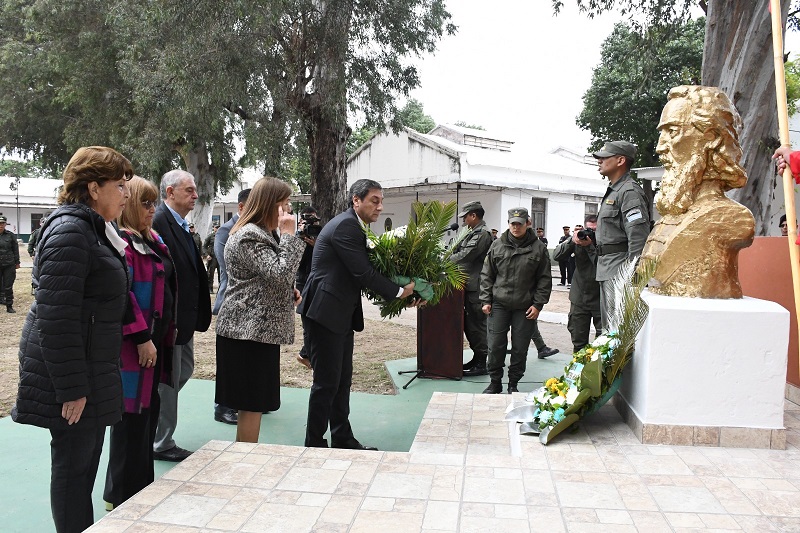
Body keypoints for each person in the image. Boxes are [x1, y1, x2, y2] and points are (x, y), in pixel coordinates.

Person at [12, 146, 132, 533]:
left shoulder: (93, 228)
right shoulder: (71, 232)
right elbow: (56, 318)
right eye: (120, 185)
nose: (126, 193)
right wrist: (73, 389)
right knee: (73, 471)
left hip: (89, 365)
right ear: (94, 188)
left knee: (82, 468)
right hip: (72, 373)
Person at [298, 179, 415, 450]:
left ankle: (341, 438)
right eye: (374, 200)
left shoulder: (353, 225)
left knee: (341, 382)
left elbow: (361, 273)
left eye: (381, 201)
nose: (380, 206)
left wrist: (405, 293)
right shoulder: (347, 226)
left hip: (337, 313)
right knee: (327, 384)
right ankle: (314, 444)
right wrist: (400, 292)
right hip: (325, 313)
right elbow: (363, 272)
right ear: (356, 200)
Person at [103, 177, 177, 510]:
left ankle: (141, 489)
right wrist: (142, 337)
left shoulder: (153, 240)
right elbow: (124, 295)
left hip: (155, 343)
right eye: (145, 204)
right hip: (134, 348)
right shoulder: (122, 242)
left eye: (153, 203)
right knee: (129, 421)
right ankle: (119, 496)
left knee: (147, 416)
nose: (152, 210)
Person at [215, 177, 305, 442]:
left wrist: (287, 292)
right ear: (270, 204)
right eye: (285, 203)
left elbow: (269, 277)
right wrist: (289, 235)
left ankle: (246, 454)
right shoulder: (250, 236)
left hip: (255, 331)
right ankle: (244, 457)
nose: (288, 210)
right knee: (251, 404)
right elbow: (280, 272)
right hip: (246, 332)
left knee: (254, 403)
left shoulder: (262, 233)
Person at [642, 86, 753, 299]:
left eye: (672, 131)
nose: (660, 147)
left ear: (711, 137)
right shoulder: (672, 214)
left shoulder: (731, 218)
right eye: (661, 134)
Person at [151, 169, 211, 462]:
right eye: (189, 190)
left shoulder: (180, 223)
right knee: (169, 381)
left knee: (183, 371)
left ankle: (153, 424)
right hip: (170, 318)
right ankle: (161, 442)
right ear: (170, 192)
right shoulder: (159, 222)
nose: (195, 195)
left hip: (184, 318)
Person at [480, 207, 552, 394]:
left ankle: (513, 383)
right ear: (508, 223)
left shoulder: (539, 248)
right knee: (495, 345)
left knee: (520, 348)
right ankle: (495, 382)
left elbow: (544, 279)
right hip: (499, 304)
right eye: (513, 223)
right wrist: (486, 300)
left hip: (525, 306)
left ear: (528, 223)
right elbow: (487, 274)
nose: (516, 227)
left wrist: (537, 305)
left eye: (519, 224)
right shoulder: (497, 245)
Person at [593, 140, 650, 328]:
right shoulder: (614, 191)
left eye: (604, 158)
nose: (599, 161)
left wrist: (633, 277)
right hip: (607, 268)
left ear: (620, 160)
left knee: (617, 331)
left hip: (620, 271)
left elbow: (638, 237)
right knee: (609, 330)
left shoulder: (629, 192)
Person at [211, 188, 251, 425]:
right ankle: (223, 406)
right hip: (232, 302)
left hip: (251, 305)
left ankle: (244, 401)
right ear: (242, 207)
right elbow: (228, 270)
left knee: (246, 359)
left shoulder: (256, 229)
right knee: (230, 361)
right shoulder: (226, 231)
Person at [450, 200, 493, 377]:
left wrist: (444, 260)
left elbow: (466, 255)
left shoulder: (482, 234)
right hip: (468, 285)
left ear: (474, 215)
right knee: (470, 325)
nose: (463, 221)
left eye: (465, 217)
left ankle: (482, 361)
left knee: (477, 325)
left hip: (477, 287)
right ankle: (477, 358)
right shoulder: (471, 232)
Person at [554, 214, 601, 353]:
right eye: (589, 229)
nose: (591, 233)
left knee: (603, 341)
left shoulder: (605, 241)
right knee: (578, 340)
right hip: (580, 297)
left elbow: (601, 265)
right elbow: (556, 256)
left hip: (600, 298)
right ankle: (578, 365)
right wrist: (572, 240)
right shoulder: (578, 240)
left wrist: (590, 246)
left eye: (594, 230)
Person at [295, 205, 321, 370]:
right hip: (303, 282)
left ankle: (307, 353)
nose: (311, 224)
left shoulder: (320, 236)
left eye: (314, 220)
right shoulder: (297, 237)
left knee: (317, 321)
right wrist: (300, 237)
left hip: (318, 281)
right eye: (307, 220)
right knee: (308, 322)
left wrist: (317, 245)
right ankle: (306, 355)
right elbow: (295, 263)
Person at [0, 215, 20, 313]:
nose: (0, 225)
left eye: (2, 223)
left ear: (5, 224)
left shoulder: (10, 235)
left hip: (9, 264)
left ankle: (9, 305)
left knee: (8, 285)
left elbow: (15, 249)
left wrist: (17, 262)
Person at [204, 225, 219, 292]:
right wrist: (207, 255)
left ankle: (220, 289)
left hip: (219, 257)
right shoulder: (210, 236)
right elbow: (204, 247)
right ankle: (210, 288)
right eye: (216, 228)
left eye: (218, 228)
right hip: (212, 258)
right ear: (214, 228)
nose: (217, 229)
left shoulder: (222, 235)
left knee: (221, 274)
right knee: (211, 273)